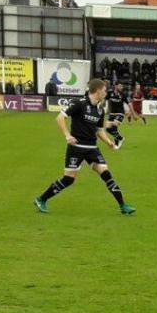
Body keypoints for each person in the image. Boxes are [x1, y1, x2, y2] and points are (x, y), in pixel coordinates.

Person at [33, 79, 135, 215]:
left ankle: (123, 206)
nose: (106, 93)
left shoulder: (100, 109)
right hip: (77, 147)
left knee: (106, 174)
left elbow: (99, 130)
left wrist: (109, 142)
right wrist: (68, 136)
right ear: (98, 91)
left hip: (92, 148)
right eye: (104, 91)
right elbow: (60, 118)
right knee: (69, 179)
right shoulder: (79, 103)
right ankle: (41, 199)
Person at [105, 82, 129, 149]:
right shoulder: (110, 93)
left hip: (120, 113)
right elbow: (105, 99)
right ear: (115, 86)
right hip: (112, 113)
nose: (121, 87)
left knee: (114, 127)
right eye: (120, 86)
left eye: (122, 86)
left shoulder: (123, 94)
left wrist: (129, 111)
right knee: (108, 129)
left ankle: (117, 143)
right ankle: (120, 138)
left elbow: (128, 103)